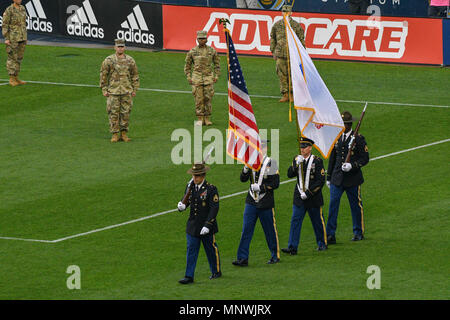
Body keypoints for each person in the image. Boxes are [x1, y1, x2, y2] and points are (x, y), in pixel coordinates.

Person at [232, 140, 281, 266]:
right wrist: (245, 169)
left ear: (265, 149)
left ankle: (275, 255)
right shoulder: (251, 162)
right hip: (251, 201)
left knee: (269, 230)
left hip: (265, 202)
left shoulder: (271, 163)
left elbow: (275, 184)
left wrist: (262, 188)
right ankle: (242, 258)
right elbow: (242, 179)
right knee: (246, 229)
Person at [326, 111, 369, 244]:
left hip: (352, 178)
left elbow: (365, 158)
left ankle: (358, 232)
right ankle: (330, 234)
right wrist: (328, 177)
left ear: (350, 125)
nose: (344, 126)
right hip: (337, 177)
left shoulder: (359, 139)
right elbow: (333, 157)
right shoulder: (337, 137)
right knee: (333, 205)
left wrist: (353, 165)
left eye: (346, 124)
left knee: (355, 206)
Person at [177, 163, 221, 284]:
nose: (195, 178)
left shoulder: (211, 189)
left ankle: (216, 271)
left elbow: (214, 208)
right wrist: (182, 205)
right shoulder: (190, 186)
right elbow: (187, 200)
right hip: (193, 226)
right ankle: (189, 276)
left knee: (210, 250)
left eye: (197, 176)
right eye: (194, 176)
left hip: (206, 226)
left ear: (203, 176)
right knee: (191, 250)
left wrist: (208, 225)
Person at [282, 137, 327, 255]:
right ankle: (292, 247)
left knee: (317, 221)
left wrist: (308, 193)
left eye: (305, 147)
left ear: (310, 148)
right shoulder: (297, 159)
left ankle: (322, 243)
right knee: (295, 221)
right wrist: (295, 165)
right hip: (299, 197)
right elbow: (289, 174)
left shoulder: (317, 161)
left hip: (313, 197)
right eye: (301, 147)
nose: (302, 149)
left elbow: (320, 181)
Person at [100, 39, 140, 143]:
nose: (120, 48)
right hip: (113, 91)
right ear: (115, 47)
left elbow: (135, 75)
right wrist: (104, 89)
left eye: (122, 46)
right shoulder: (109, 60)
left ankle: (124, 134)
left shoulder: (130, 60)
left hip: (126, 91)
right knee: (113, 113)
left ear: (125, 48)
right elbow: (103, 75)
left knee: (125, 113)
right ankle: (114, 134)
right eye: (118, 46)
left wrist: (134, 89)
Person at [184, 30, 220, 126]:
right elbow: (187, 65)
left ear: (206, 39)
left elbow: (217, 65)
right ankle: (200, 118)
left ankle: (207, 118)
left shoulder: (212, 51)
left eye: (203, 38)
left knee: (208, 98)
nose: (201, 40)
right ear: (197, 39)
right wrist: (188, 76)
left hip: (208, 78)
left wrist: (216, 76)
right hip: (197, 78)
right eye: (200, 38)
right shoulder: (192, 51)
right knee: (199, 99)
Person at [270, 5, 305, 103]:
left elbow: (301, 40)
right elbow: (273, 38)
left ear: (291, 13)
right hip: (280, 54)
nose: (285, 13)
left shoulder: (296, 25)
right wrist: (273, 51)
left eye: (287, 11)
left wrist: (302, 54)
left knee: (293, 75)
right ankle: (285, 94)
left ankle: (293, 94)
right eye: (283, 11)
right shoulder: (277, 25)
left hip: (293, 55)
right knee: (281, 74)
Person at [2, 0, 27, 87]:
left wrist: (25, 37)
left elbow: (23, 23)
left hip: (22, 37)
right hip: (12, 38)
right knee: (12, 57)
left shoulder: (22, 8)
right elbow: (5, 24)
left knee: (19, 57)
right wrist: (6, 38)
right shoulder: (9, 10)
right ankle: (11, 78)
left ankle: (16, 77)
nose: (20, 0)